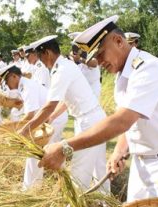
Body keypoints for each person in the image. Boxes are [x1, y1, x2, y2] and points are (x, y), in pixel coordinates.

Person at [37, 15, 158, 202]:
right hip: (141, 161)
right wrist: (119, 151)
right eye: (95, 56)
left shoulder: (147, 69)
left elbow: (122, 121)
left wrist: (65, 147)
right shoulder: (122, 75)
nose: (99, 62)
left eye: (101, 53)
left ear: (118, 41)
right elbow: (130, 125)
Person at [19, 35, 110, 194]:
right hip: (94, 117)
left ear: (47, 53)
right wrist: (51, 118)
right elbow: (66, 101)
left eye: (40, 57)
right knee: (98, 165)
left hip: (89, 121)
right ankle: (104, 201)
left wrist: (26, 129)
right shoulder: (66, 65)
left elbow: (49, 105)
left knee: (79, 171)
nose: (41, 61)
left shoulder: (61, 70)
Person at [0, 65, 67, 190]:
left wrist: (16, 131)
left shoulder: (26, 86)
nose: (7, 85)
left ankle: (31, 188)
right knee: (50, 150)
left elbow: (30, 115)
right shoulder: (24, 85)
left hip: (53, 119)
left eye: (7, 81)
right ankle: (63, 181)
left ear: (14, 76)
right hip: (49, 118)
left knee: (35, 152)